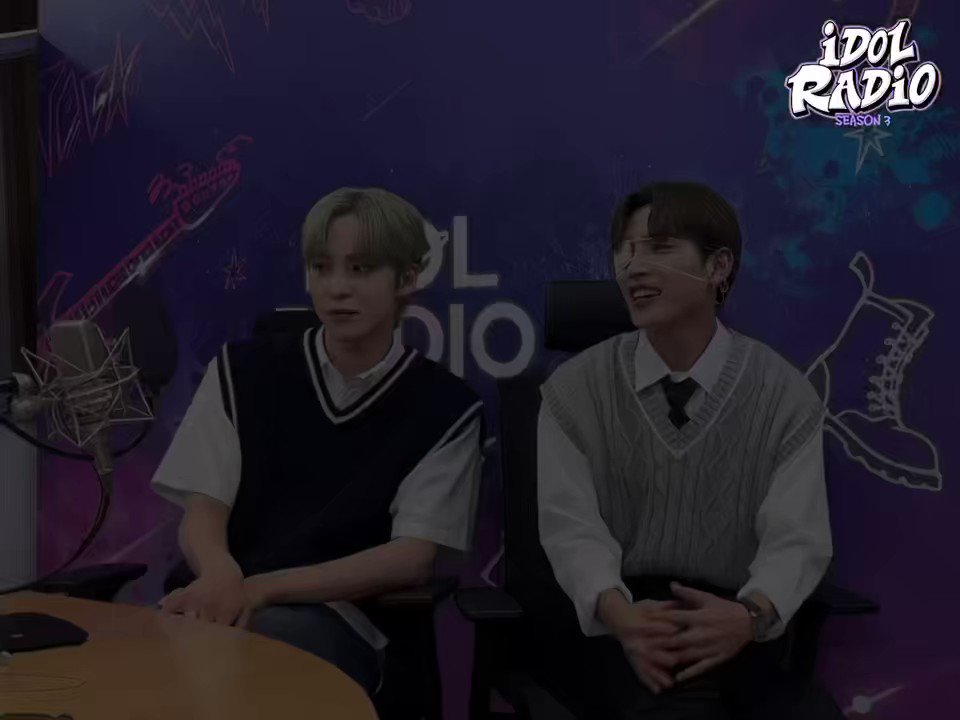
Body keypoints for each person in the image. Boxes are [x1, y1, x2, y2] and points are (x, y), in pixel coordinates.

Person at [151, 187, 484, 695]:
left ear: (407, 278)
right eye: (321, 268)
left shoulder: (447, 408)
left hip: (339, 620)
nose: (336, 288)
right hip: (215, 598)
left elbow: (411, 557)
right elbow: (203, 510)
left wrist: (259, 590)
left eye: (360, 269)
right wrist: (219, 575)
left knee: (257, 657)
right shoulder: (241, 371)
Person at [536, 181, 840, 719]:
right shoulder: (574, 391)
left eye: (658, 248)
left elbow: (797, 539)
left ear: (718, 267)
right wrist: (623, 617)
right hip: (618, 622)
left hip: (738, 617)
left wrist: (749, 616)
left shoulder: (783, 394)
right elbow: (572, 531)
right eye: (625, 251)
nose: (633, 267)